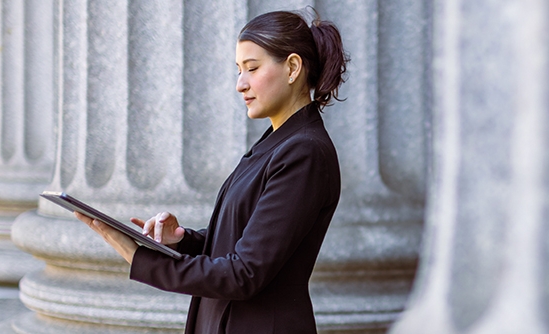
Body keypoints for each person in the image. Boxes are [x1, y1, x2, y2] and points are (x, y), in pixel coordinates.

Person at [74, 9, 348, 333]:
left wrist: (141, 259)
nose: (240, 84)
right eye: (238, 70)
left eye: (252, 68)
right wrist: (181, 241)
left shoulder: (305, 152)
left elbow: (245, 272)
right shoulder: (277, 143)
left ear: (292, 68)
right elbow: (244, 242)